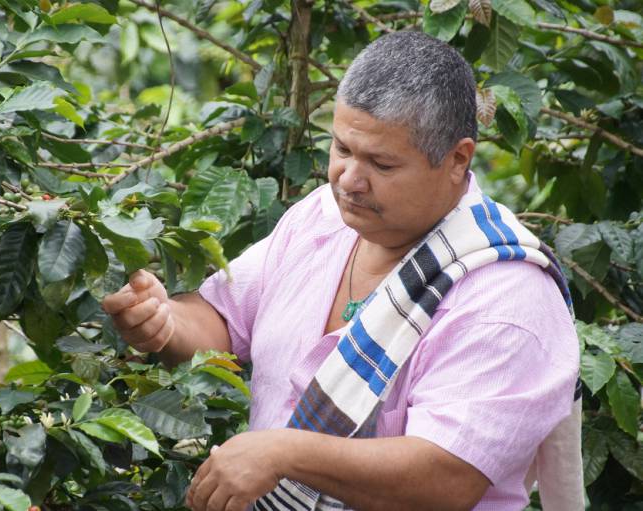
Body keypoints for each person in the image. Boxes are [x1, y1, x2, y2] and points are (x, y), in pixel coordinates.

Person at [103, 32, 580, 511]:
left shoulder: (505, 297)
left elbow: (447, 477)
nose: (349, 180)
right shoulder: (319, 218)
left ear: (457, 159)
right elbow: (223, 321)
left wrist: (285, 453)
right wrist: (163, 322)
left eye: (381, 164)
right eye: (342, 149)